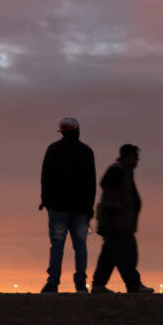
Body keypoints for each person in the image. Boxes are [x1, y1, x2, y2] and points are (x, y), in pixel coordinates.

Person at [39, 117, 97, 293]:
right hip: (80, 209)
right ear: (77, 131)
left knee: (57, 244)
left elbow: (45, 178)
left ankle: (53, 282)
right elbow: (91, 182)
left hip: (57, 208)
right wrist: (89, 207)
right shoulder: (86, 151)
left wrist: (46, 201)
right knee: (80, 245)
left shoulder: (53, 150)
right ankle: (80, 283)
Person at [91, 144, 153, 294]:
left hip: (120, 222)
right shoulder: (117, 170)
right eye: (135, 156)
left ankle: (98, 285)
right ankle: (134, 285)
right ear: (127, 156)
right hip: (116, 222)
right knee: (127, 254)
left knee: (109, 255)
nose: (137, 160)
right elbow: (106, 185)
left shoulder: (125, 172)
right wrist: (114, 204)